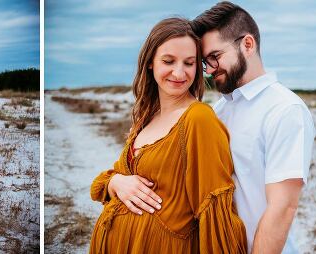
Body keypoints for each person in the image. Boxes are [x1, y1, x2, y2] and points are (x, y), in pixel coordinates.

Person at [89, 17, 247, 253]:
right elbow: (117, 176)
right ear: (151, 62)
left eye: (189, 62)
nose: (179, 72)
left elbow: (214, 212)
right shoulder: (147, 116)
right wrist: (115, 182)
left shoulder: (198, 119)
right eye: (169, 61)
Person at [190, 2, 315, 252]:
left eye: (215, 57)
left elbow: (282, 208)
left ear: (247, 44)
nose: (210, 70)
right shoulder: (218, 110)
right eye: (206, 62)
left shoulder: (285, 109)